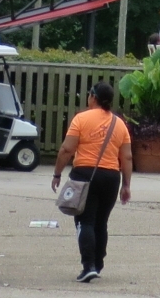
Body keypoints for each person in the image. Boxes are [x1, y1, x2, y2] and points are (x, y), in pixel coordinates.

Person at [51, 82, 132, 283]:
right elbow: (127, 157)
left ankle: (88, 266)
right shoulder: (119, 124)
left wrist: (57, 174)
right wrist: (126, 185)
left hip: (85, 174)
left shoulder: (81, 119)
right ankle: (98, 262)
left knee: (85, 220)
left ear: (93, 97)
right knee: (101, 222)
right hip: (111, 177)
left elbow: (66, 150)